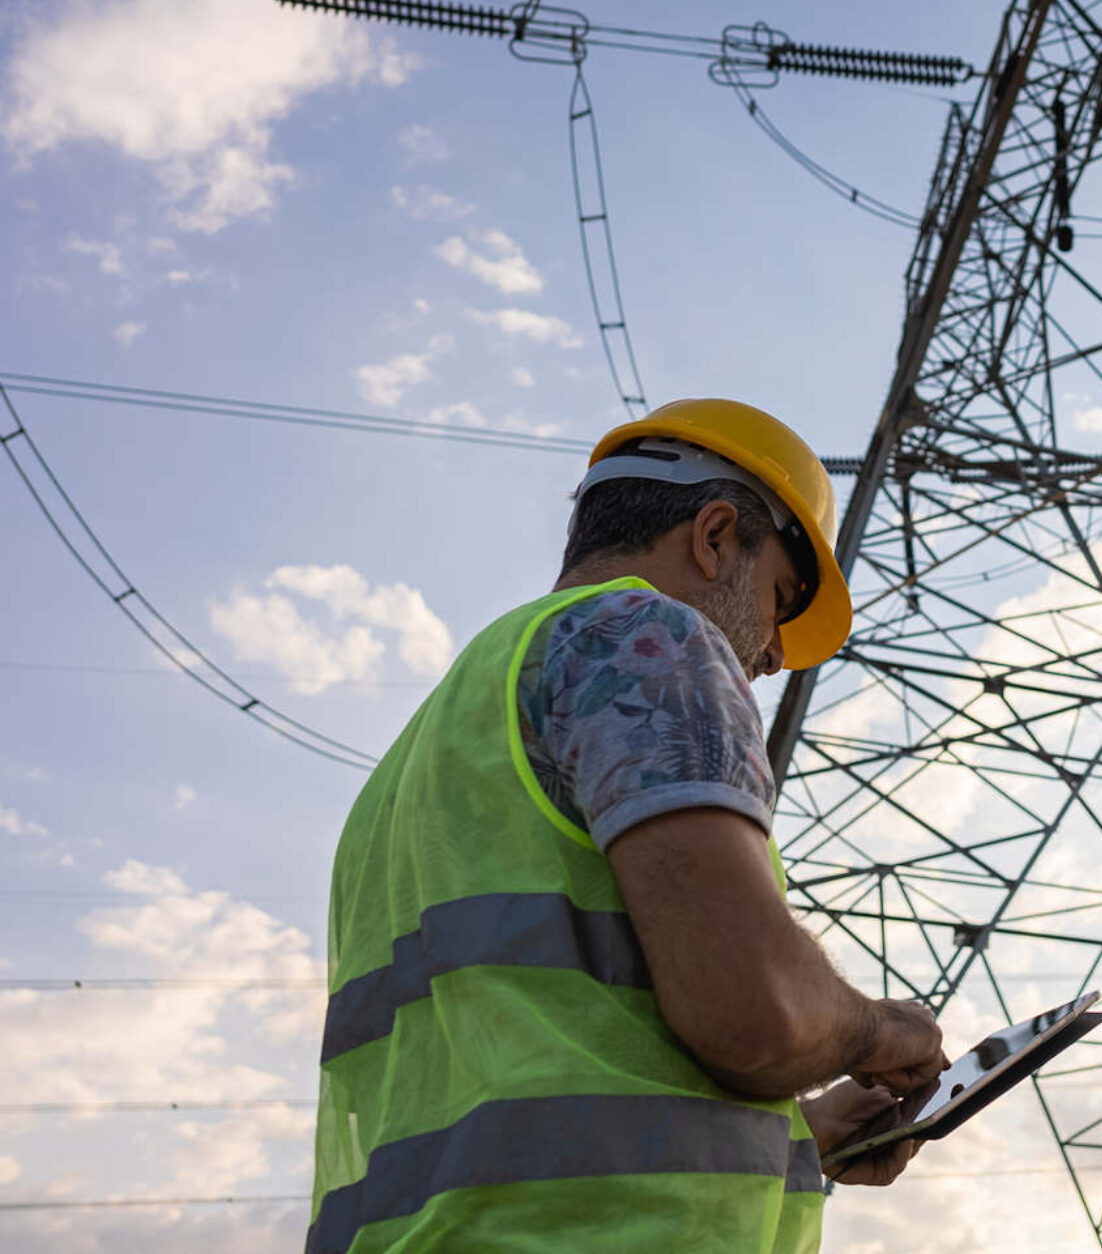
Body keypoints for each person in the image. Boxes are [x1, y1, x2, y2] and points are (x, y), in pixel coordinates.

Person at [309, 398, 947, 1253]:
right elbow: (753, 1012)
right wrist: (880, 1030)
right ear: (715, 536)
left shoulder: (422, 757)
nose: (772, 656)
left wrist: (798, 1138)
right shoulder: (646, 638)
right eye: (780, 597)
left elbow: (529, 1059)